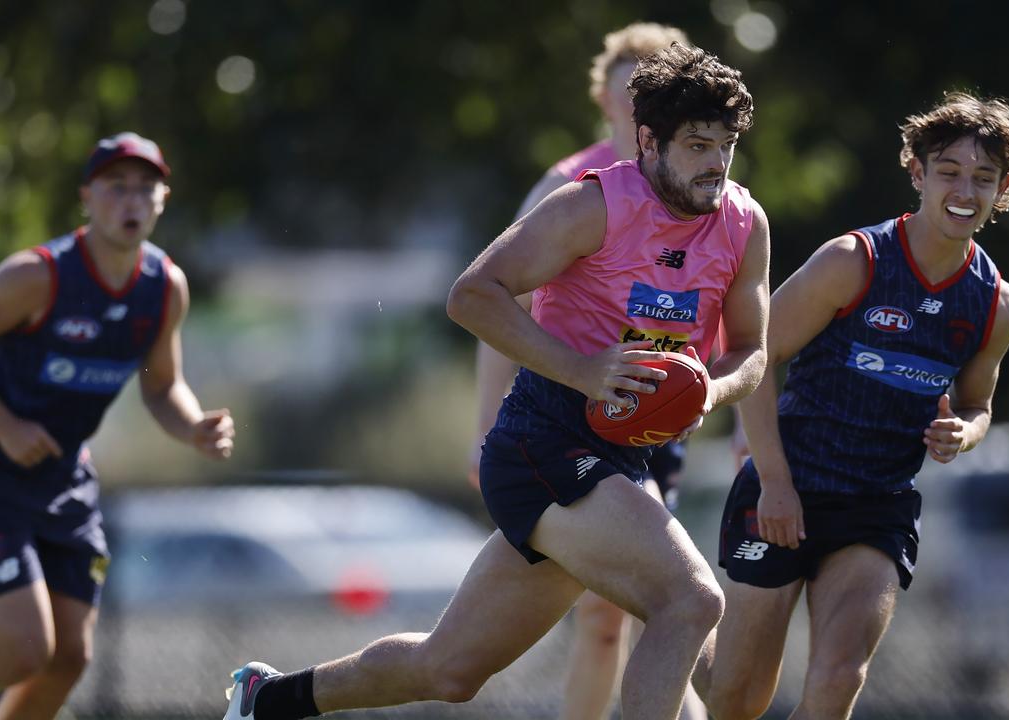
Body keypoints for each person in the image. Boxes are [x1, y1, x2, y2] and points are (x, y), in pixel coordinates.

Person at [224, 43, 769, 720]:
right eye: (697, 145)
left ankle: (268, 700)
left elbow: (750, 349)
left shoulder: (744, 224)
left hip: (624, 452)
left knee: (448, 668)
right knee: (691, 601)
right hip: (545, 440)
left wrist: (710, 392)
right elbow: (473, 295)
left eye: (726, 145)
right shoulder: (589, 206)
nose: (716, 163)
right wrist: (585, 371)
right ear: (648, 141)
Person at [694, 92, 1009, 720]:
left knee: (840, 679)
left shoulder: (996, 305)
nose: (965, 190)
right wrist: (774, 483)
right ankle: (676, 620)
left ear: (1004, 188)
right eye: (949, 172)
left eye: (984, 178)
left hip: (875, 508)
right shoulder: (853, 262)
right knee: (737, 700)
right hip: (788, 488)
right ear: (917, 174)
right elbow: (753, 357)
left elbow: (979, 405)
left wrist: (961, 433)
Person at [0, 132, 235, 720]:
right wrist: (5, 424)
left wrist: (192, 428)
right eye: (116, 187)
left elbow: (161, 386)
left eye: (145, 188)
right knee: (28, 649)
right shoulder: (39, 276)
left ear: (162, 199)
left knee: (70, 660)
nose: (130, 201)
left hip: (65, 484)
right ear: (87, 196)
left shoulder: (165, 289)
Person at [466, 21, 706, 720]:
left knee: (664, 606)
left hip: (658, 422)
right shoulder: (570, 185)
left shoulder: (705, 190)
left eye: (653, 80)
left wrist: (740, 417)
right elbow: (492, 302)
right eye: (625, 82)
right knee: (633, 609)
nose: (638, 95)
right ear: (603, 95)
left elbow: (733, 333)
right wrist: (483, 425)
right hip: (570, 422)